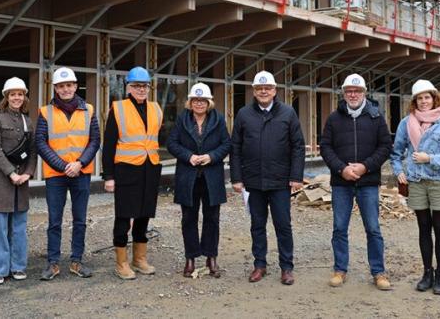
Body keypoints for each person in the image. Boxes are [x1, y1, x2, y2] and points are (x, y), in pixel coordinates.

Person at [230, 70, 305, 286]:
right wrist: (237, 177)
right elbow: (235, 148)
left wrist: (296, 176)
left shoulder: (288, 113)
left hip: (280, 181)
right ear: (254, 91)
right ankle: (259, 265)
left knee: (283, 225)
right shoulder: (244, 114)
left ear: (275, 91)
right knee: (257, 225)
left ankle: (286, 267)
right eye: (259, 88)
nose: (264, 91)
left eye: (268, 88)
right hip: (253, 180)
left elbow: (298, 147)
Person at [320, 73, 393, 290]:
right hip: (341, 182)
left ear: (364, 93)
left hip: (368, 181)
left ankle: (378, 272)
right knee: (339, 228)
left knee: (373, 228)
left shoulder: (376, 117)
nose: (353, 94)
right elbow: (325, 146)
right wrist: (342, 169)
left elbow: (385, 146)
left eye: (357, 91)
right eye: (349, 91)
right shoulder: (334, 118)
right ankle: (340, 270)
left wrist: (365, 166)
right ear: (344, 94)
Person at [390, 79, 440, 295]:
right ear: (414, 101)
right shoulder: (406, 123)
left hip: (439, 181)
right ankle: (427, 272)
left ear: (434, 98)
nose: (423, 102)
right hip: (416, 181)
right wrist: (399, 171)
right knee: (423, 227)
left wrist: (429, 158)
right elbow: (396, 152)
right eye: (419, 98)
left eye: (427, 97)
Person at [36, 67, 100, 280]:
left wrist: (80, 163)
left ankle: (76, 261)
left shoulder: (89, 110)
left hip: (81, 172)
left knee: (80, 219)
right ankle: (53, 263)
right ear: (55, 88)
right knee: (55, 220)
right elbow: (41, 143)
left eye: (69, 85)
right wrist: (64, 165)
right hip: (56, 174)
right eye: (61, 86)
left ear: (75, 86)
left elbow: (95, 140)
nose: (65, 89)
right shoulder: (46, 112)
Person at [102, 66, 164, 280]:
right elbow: (109, 144)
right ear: (129, 87)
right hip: (126, 170)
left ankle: (139, 259)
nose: (141, 89)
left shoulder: (156, 108)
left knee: (144, 214)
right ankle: (121, 263)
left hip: (150, 168)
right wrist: (108, 176)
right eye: (137, 85)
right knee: (123, 216)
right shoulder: (118, 109)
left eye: (144, 86)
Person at [167, 83, 231, 278]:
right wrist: (189, 156)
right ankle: (191, 257)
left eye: (203, 100)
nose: (199, 104)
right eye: (196, 100)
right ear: (190, 102)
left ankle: (211, 257)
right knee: (189, 219)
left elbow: (226, 143)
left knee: (212, 219)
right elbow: (172, 143)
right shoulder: (182, 119)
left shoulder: (218, 119)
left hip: (211, 177)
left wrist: (211, 156)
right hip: (188, 177)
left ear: (209, 102)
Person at [0, 77, 36, 285]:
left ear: (24, 97)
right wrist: (11, 173)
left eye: (20, 94)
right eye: (13, 94)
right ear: (6, 96)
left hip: (21, 183)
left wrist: (28, 173)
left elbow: (32, 151)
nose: (17, 97)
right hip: (0, 181)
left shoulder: (28, 121)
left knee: (19, 228)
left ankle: (18, 266)